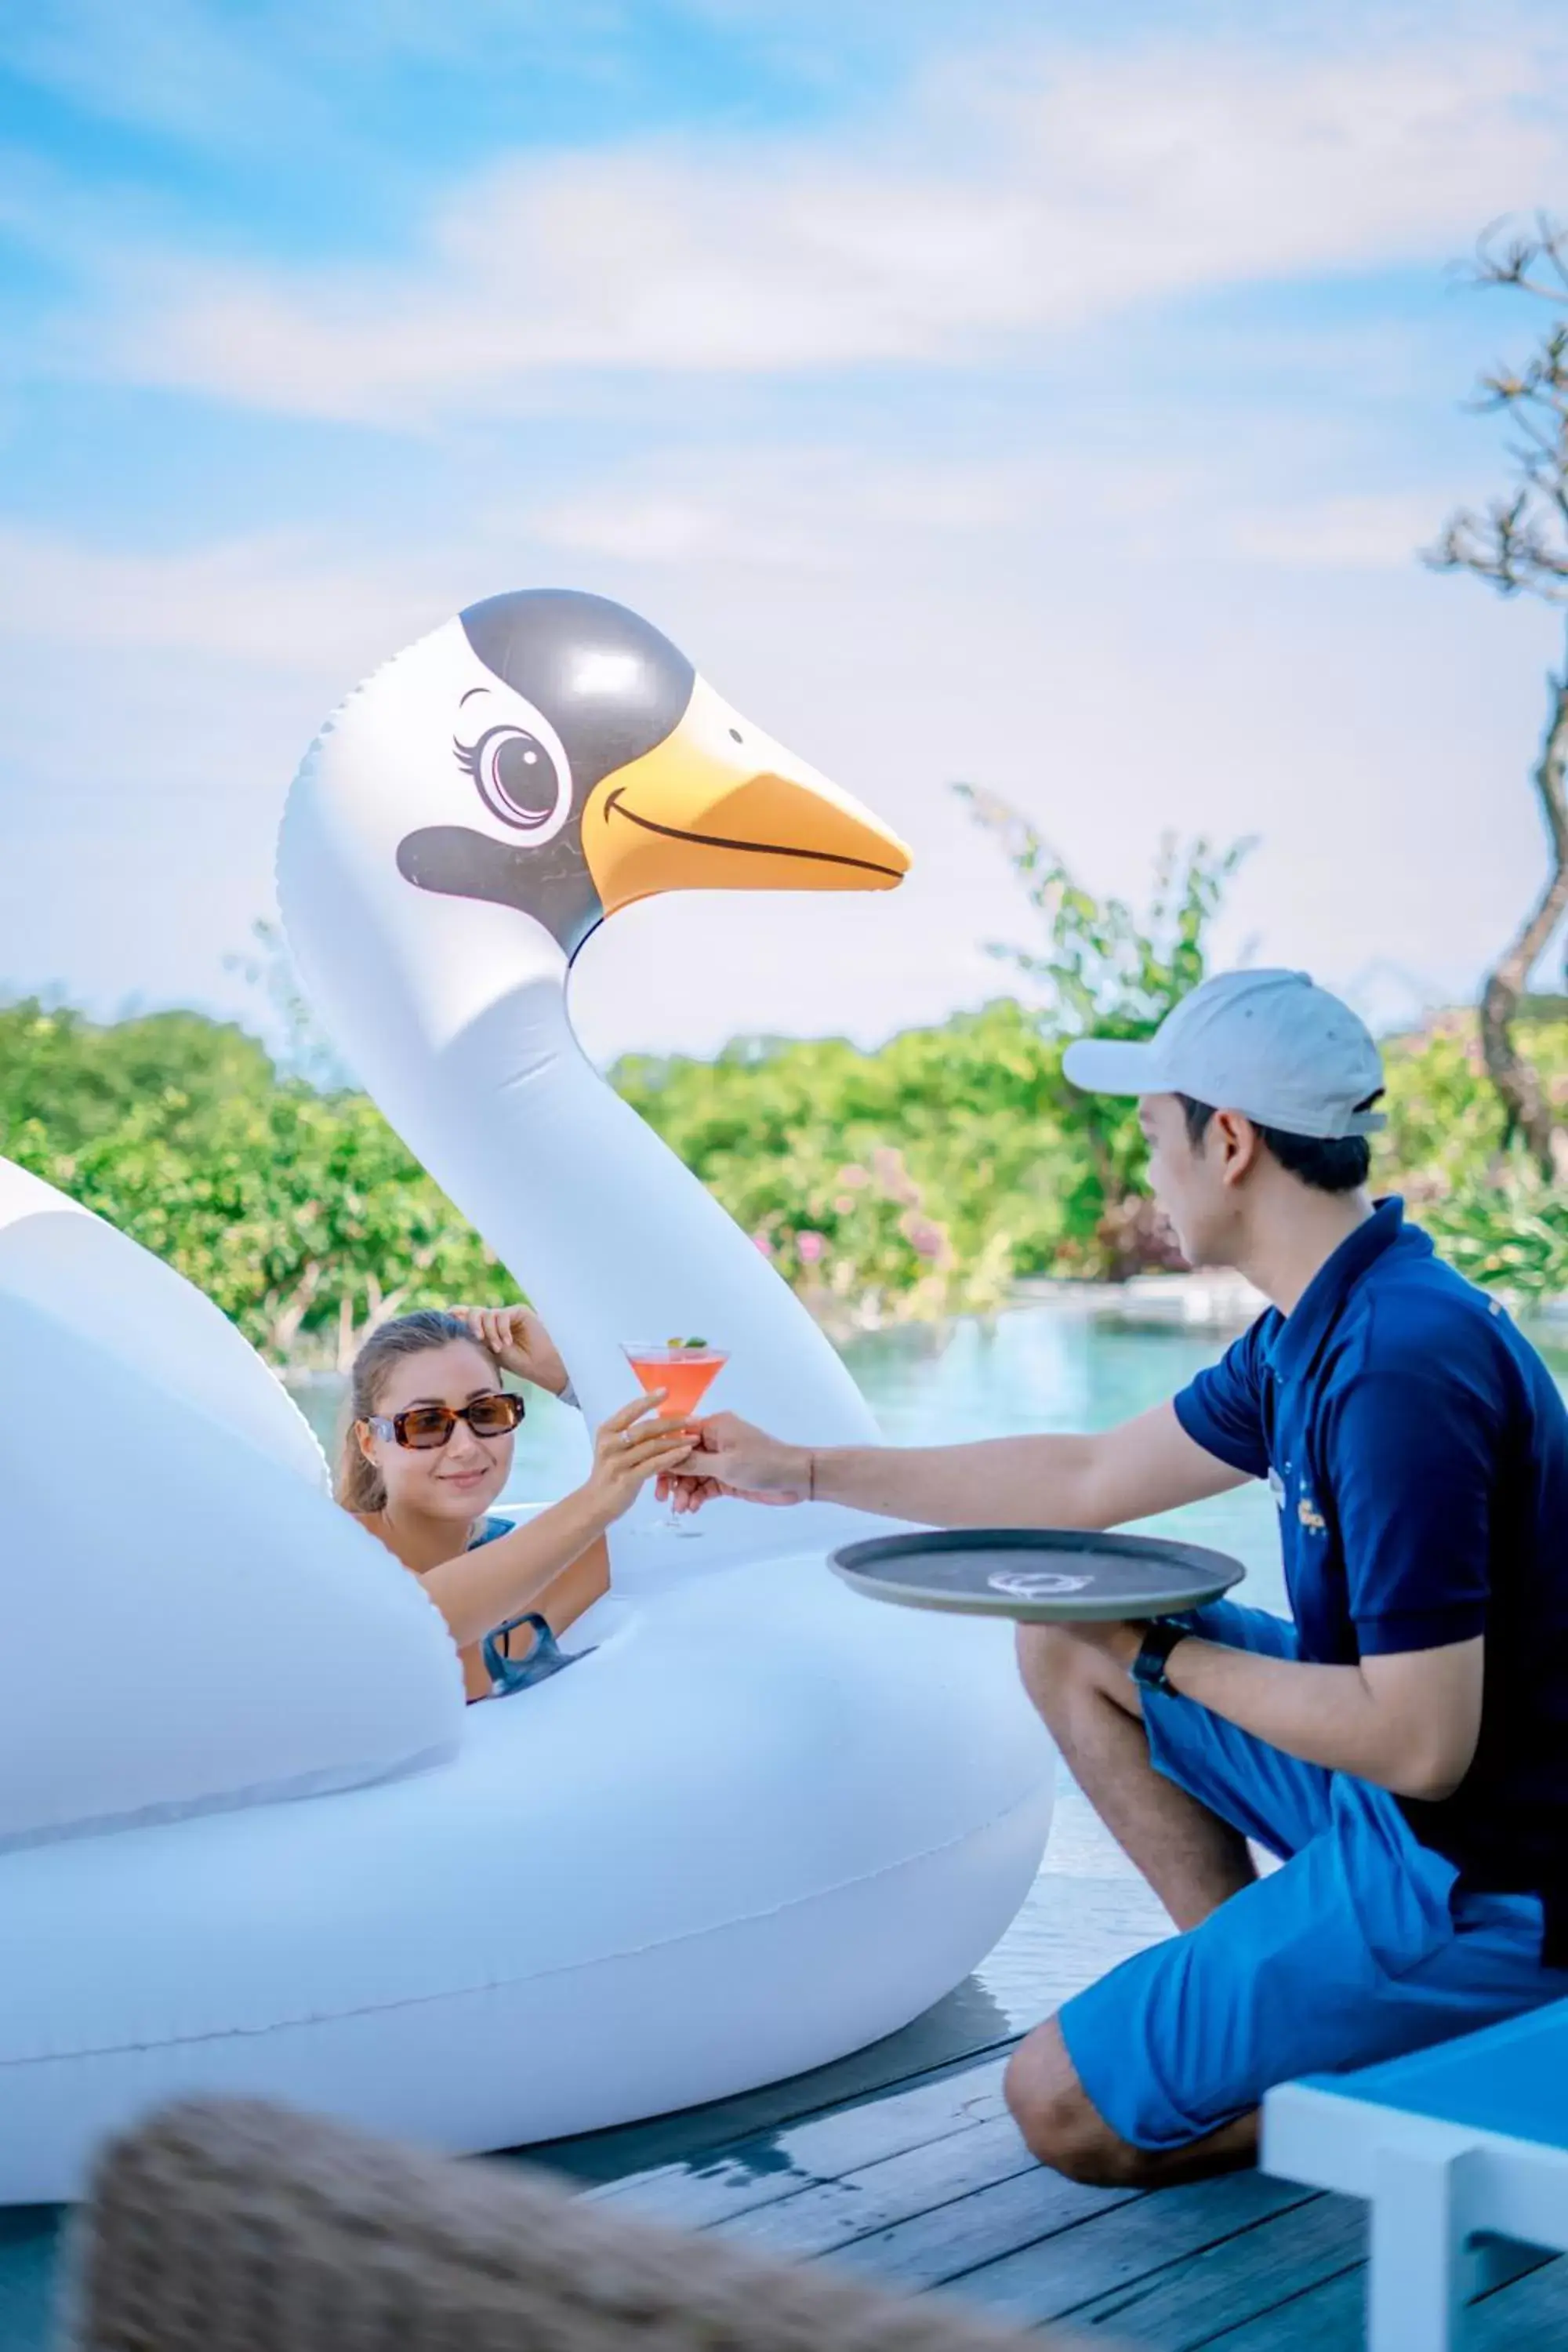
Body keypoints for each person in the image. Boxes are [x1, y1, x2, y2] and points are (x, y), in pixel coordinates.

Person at [666, 968, 1568, 2188]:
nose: (1149, 1172)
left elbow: (1420, 1746)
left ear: (1231, 1142)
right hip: (1412, 1814)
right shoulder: (1317, 1328)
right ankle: (1274, 1995)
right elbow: (1086, 1476)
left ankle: (1412, 2091)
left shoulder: (1399, 1368)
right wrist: (804, 1467)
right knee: (1063, 1643)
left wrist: (1167, 1654)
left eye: (1155, 1137)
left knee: (1065, 2113)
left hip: (1485, 1872)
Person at [338, 1304, 691, 1703]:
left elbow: (700, 1458)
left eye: (486, 1412)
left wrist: (566, 1377)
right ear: (370, 1443)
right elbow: (410, 1625)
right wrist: (597, 1498)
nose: (466, 1447)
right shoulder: (330, 1547)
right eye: (426, 1423)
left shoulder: (544, 1569)